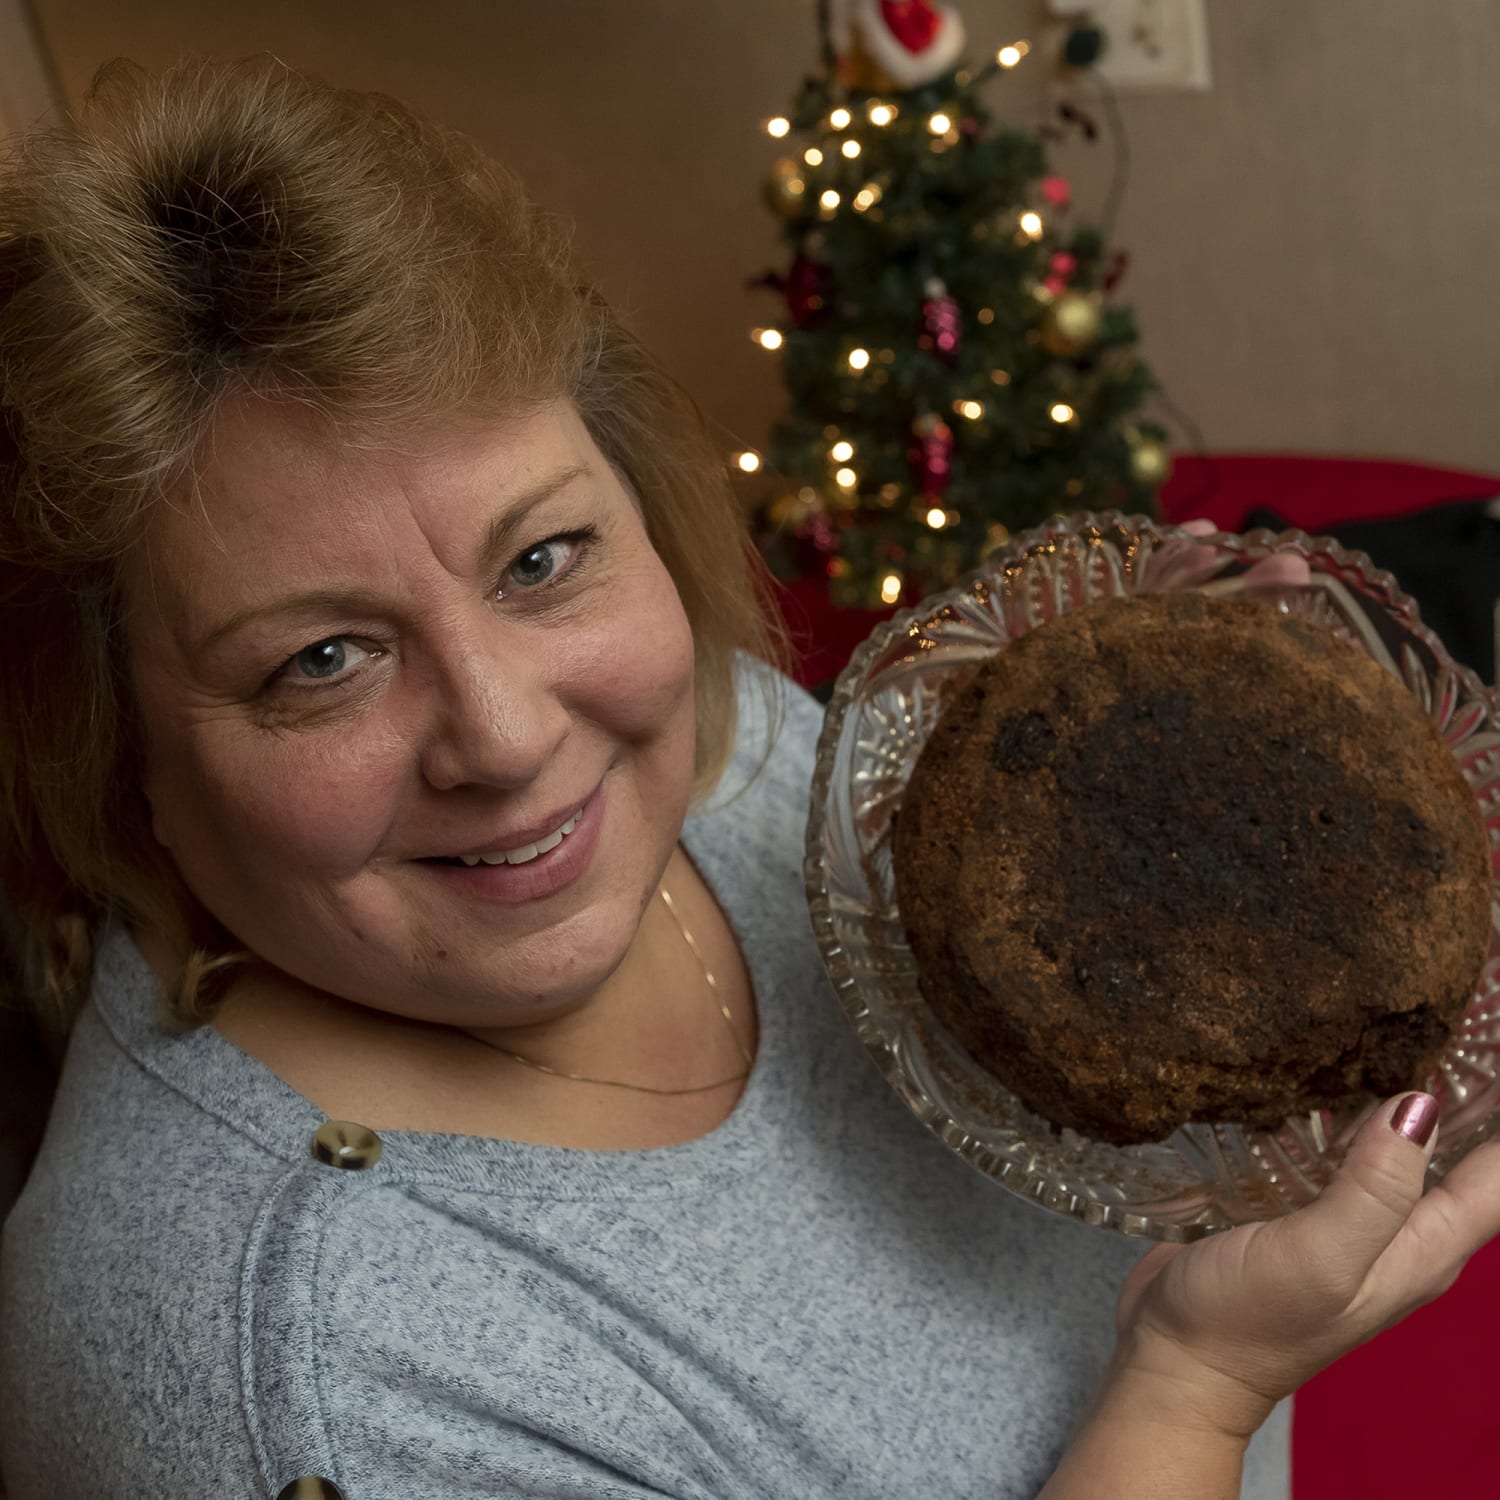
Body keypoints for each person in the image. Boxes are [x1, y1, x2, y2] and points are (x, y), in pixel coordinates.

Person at [0, 56, 1496, 1500]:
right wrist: (1198, 1390)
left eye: (540, 557)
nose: (512, 736)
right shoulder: (295, 1400)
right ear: (120, 762)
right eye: (321, 660)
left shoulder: (723, 740)